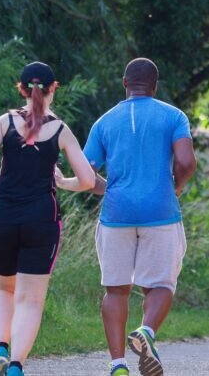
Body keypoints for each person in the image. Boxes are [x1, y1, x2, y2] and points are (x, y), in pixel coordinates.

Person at [72, 58, 196, 376]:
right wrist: (176, 187)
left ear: (125, 83)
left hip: (116, 215)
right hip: (161, 213)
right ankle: (146, 333)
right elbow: (186, 161)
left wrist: (108, 189)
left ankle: (117, 365)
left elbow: (86, 174)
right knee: (161, 285)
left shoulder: (104, 122)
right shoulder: (173, 116)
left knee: (116, 289)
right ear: (155, 86)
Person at [0, 61, 95, 376]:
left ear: (22, 89)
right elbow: (88, 181)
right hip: (42, 220)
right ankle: (15, 366)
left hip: (1, 216)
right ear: (54, 89)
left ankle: (1, 345)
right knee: (30, 300)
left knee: (3, 289)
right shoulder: (61, 130)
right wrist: (63, 182)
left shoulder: (6, 122)